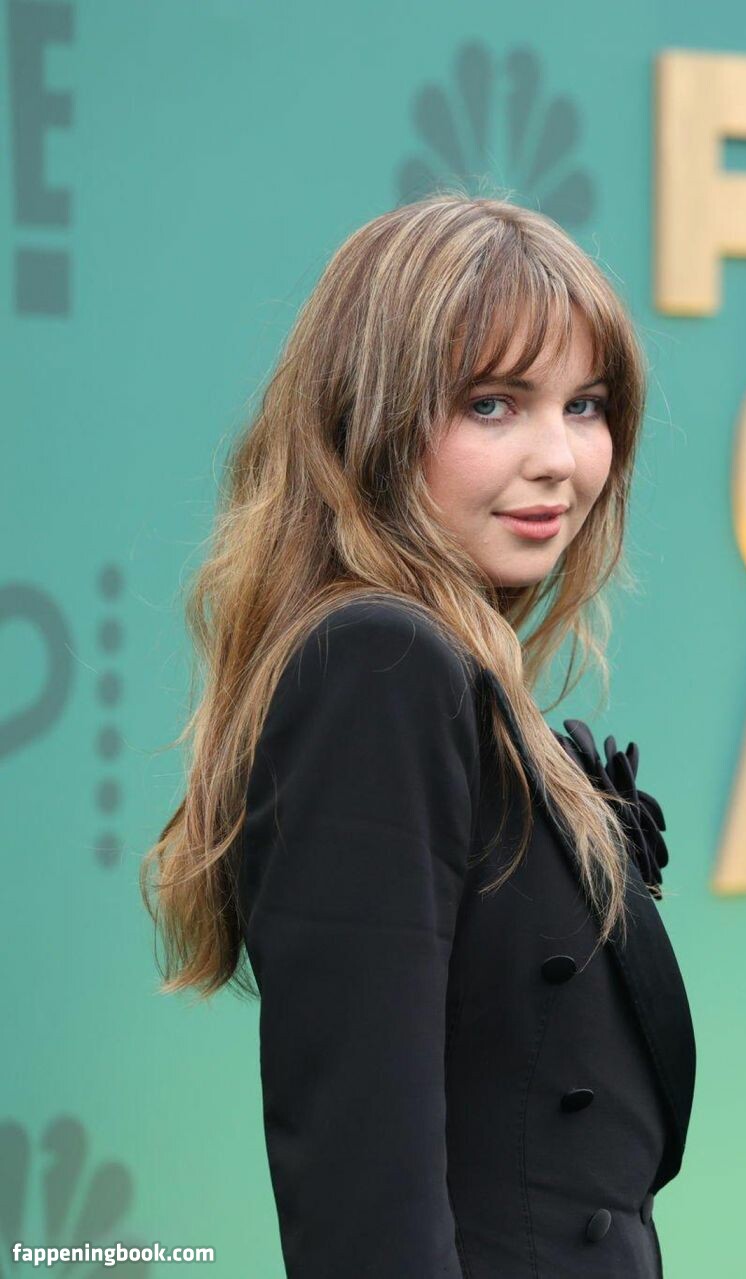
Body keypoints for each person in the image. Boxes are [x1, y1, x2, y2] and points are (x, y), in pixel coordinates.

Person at [139, 191, 696, 1277]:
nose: (559, 458)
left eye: (585, 405)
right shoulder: (379, 666)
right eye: (493, 404)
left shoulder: (441, 669)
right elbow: (364, 1203)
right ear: (373, 421)